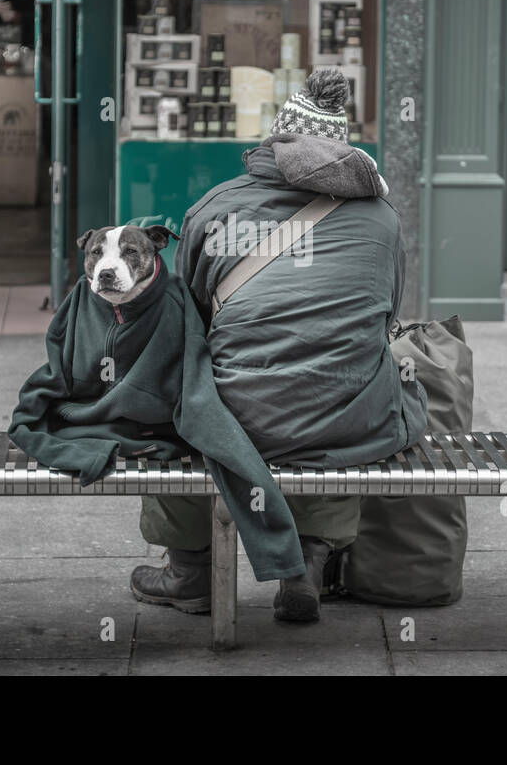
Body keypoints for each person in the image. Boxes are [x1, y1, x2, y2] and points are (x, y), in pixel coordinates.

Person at [129, 69, 429, 622]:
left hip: (237, 415)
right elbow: (386, 313)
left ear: (277, 143)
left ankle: (190, 570)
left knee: (177, 395)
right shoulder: (382, 220)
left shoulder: (215, 208)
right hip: (346, 418)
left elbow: (188, 317)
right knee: (349, 382)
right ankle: (310, 563)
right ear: (340, 148)